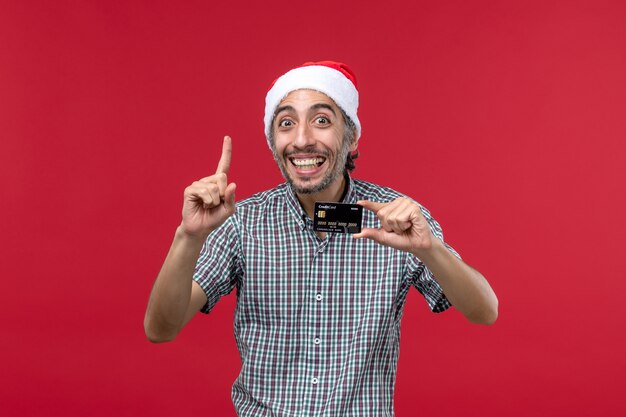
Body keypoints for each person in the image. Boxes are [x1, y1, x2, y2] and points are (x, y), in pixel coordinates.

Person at [144, 61, 498, 416]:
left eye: (322, 120)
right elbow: (161, 328)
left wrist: (431, 250)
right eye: (286, 123)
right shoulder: (242, 223)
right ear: (273, 141)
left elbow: (485, 311)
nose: (302, 140)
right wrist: (187, 237)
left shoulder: (399, 221)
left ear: (352, 136)